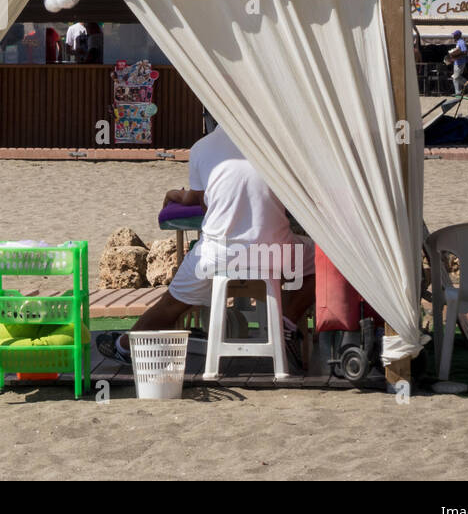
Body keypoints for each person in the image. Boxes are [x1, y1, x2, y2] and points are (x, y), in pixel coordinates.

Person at [95, 120, 315, 367]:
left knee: (171, 305)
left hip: (217, 255)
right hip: (274, 252)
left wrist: (176, 195)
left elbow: (202, 202)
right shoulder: (276, 144)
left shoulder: (202, 147)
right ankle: (286, 323)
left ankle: (124, 346)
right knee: (326, 262)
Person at [446, 30, 468, 95]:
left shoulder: (461, 42)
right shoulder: (459, 42)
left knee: (456, 77)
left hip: (460, 63)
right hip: (457, 62)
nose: (453, 36)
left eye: (454, 35)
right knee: (455, 77)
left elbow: (465, 52)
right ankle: (458, 92)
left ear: (458, 36)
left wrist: (456, 57)